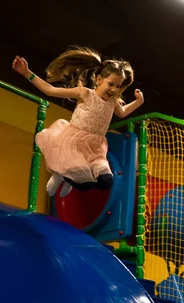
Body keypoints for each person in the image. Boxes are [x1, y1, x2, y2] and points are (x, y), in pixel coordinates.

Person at [12, 46, 144, 197]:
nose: (114, 90)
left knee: (106, 182)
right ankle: (62, 175)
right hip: (74, 143)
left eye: (118, 86)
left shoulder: (113, 100)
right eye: (111, 84)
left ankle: (68, 179)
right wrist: (27, 73)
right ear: (99, 79)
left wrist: (138, 102)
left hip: (95, 148)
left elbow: (122, 113)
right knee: (85, 182)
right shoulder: (85, 94)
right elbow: (50, 90)